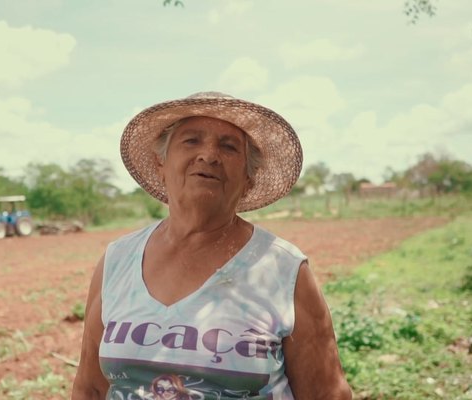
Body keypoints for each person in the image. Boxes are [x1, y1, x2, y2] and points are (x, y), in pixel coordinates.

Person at [71, 92, 352, 399]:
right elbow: (91, 387)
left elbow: (327, 394)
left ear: (249, 179)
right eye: (191, 141)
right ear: (161, 163)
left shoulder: (283, 270)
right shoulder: (118, 260)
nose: (209, 155)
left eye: (229, 147)